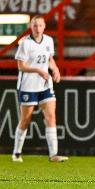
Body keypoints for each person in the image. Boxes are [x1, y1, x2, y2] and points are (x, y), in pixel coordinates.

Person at [12, 15, 68, 162]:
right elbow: (21, 66)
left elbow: (50, 59)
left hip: (45, 85)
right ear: (31, 27)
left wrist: (55, 69)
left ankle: (53, 154)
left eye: (40, 26)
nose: (37, 29)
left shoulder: (48, 41)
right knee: (25, 119)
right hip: (28, 86)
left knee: (51, 117)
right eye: (35, 26)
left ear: (44, 27)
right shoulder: (25, 43)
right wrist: (38, 71)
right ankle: (16, 153)